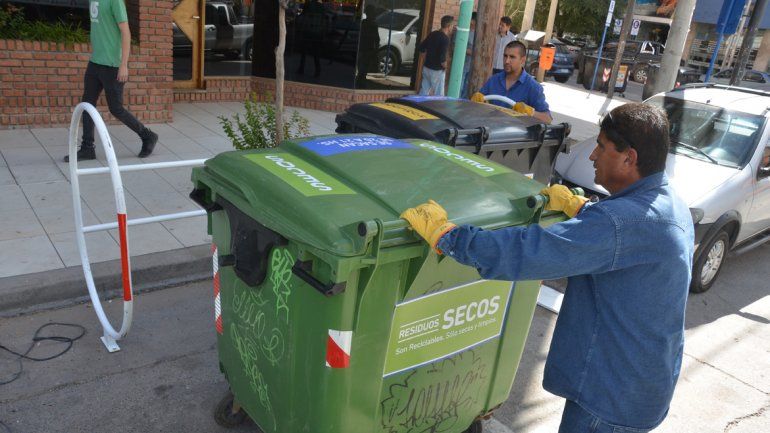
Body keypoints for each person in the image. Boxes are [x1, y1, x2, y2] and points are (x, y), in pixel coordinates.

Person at [400, 103, 694, 433]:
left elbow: (530, 252)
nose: (592, 156)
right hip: (641, 385)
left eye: (601, 147)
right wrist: (583, 210)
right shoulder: (670, 204)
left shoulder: (621, 225)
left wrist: (450, 237)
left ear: (630, 158)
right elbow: (625, 239)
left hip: (610, 399)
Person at [65, 0, 157, 162]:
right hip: (95, 62)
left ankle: (147, 135)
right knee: (87, 105)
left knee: (116, 109)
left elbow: (126, 32)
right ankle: (87, 148)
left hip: (113, 65)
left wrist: (124, 65)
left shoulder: (115, 1)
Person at [472, 41, 552, 124]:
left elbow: (548, 119)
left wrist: (531, 112)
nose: (507, 61)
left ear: (523, 60)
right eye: (505, 56)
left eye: (512, 57)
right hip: (489, 128)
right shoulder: (494, 80)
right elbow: (479, 102)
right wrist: (476, 101)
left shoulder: (533, 87)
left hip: (516, 131)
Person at [417, 15, 454, 96]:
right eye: (452, 25)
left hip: (427, 68)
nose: (452, 27)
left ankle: (416, 103)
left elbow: (421, 48)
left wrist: (426, 59)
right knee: (439, 95)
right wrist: (446, 67)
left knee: (423, 92)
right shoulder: (445, 39)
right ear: (448, 26)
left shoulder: (432, 34)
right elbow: (442, 59)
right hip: (437, 71)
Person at [356, 5, 380, 88]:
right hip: (365, 49)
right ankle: (360, 82)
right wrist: (376, 49)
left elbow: (377, 39)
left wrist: (376, 50)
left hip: (367, 49)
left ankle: (361, 81)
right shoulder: (369, 24)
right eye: (373, 13)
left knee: (363, 67)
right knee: (363, 67)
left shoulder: (368, 23)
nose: (374, 15)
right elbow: (376, 38)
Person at [459, 12, 477, 99]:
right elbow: (456, 47)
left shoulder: (478, 32)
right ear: (472, 21)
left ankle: (462, 102)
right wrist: (471, 52)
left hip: (472, 66)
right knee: (460, 86)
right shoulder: (463, 31)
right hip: (462, 65)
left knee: (467, 87)